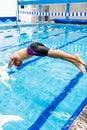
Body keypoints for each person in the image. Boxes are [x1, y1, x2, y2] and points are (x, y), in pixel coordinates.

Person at [8, 42, 87, 74]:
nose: (19, 64)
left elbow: (11, 58)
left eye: (17, 64)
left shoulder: (16, 57)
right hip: (34, 48)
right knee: (55, 56)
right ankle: (75, 62)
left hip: (33, 49)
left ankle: (75, 57)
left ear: (16, 62)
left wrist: (9, 65)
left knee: (52, 53)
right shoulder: (19, 58)